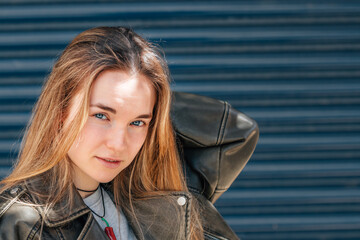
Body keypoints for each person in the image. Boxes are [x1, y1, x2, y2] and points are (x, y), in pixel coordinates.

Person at [0, 27, 258, 240]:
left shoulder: (149, 192)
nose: (118, 144)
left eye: (138, 122)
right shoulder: (21, 223)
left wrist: (151, 102)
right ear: (60, 112)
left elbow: (238, 131)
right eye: (101, 115)